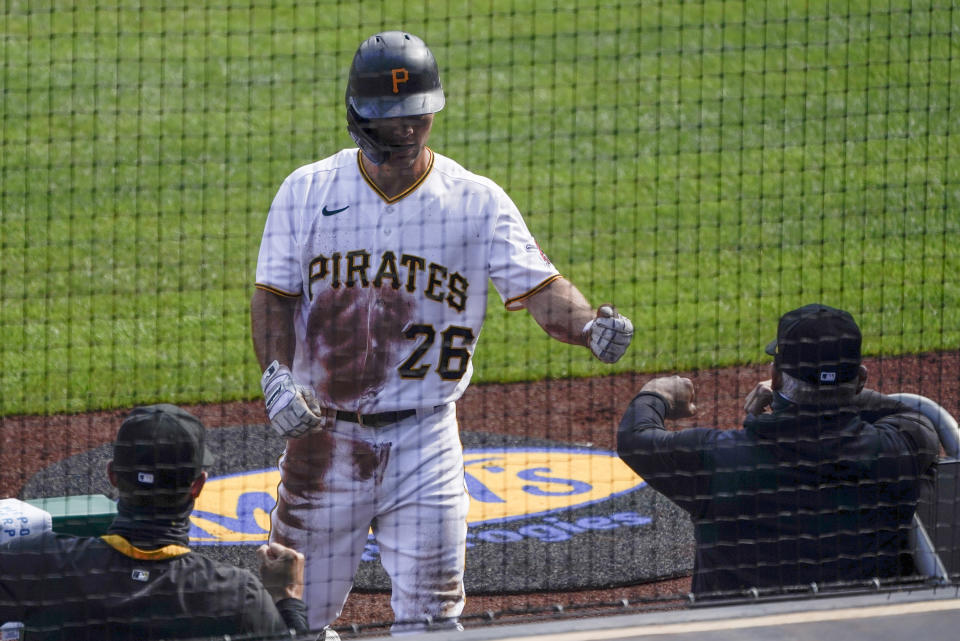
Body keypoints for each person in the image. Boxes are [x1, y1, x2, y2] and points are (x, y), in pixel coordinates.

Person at [250, 30, 634, 631]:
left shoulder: (475, 201)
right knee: (288, 619)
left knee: (433, 622)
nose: (403, 133)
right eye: (388, 121)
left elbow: (539, 288)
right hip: (324, 443)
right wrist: (274, 375)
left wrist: (589, 327)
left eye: (415, 119)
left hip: (425, 443)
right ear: (355, 115)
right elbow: (273, 297)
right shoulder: (306, 191)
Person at [617, 303, 941, 598]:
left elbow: (635, 439)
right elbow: (913, 418)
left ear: (775, 377)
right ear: (860, 379)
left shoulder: (718, 459)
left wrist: (655, 394)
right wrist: (838, 394)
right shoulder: (898, 450)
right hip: (862, 629)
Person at [0, 404, 315, 640]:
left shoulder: (30, 564)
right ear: (198, 485)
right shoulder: (236, 595)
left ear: (111, 475)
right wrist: (287, 599)